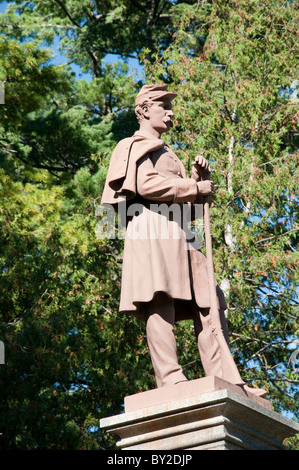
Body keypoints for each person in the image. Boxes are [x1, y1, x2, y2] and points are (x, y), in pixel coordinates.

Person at [101, 84, 266, 397]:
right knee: (159, 299)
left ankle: (228, 380)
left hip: (181, 234)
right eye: (164, 105)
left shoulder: (167, 153)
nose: (171, 111)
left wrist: (197, 182)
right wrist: (193, 188)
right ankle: (171, 378)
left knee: (210, 301)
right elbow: (147, 186)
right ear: (145, 110)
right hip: (152, 230)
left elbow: (181, 197)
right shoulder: (132, 146)